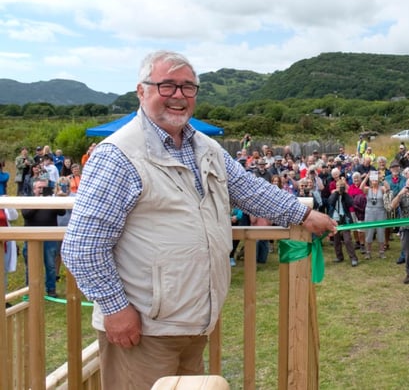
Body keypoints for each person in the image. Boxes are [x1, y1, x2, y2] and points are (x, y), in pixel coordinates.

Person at [61, 50, 337, 389]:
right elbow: (82, 247)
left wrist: (304, 214)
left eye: (188, 87)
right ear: (141, 90)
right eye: (167, 86)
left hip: (192, 322)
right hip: (143, 328)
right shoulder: (118, 155)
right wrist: (116, 309)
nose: (179, 96)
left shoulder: (205, 147)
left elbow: (248, 189)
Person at [22, 179, 66, 297]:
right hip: (32, 238)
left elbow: (62, 212)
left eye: (43, 188)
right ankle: (29, 290)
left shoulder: (51, 201)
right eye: (39, 188)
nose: (41, 190)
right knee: (31, 266)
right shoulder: (29, 201)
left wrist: (55, 200)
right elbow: (26, 214)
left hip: (49, 237)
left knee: (50, 265)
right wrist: (39, 203)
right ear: (34, 189)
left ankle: (51, 289)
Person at [327, 178, 359, 267]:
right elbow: (330, 202)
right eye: (338, 186)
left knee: (347, 239)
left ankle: (353, 258)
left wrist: (344, 193)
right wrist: (336, 193)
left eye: (341, 186)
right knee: (336, 239)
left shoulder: (346, 195)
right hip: (335, 219)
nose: (339, 188)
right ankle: (339, 256)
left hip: (345, 219)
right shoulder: (334, 194)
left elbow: (351, 203)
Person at [361, 171, 391, 259]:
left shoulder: (381, 188)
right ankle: (368, 252)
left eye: (376, 180)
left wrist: (382, 178)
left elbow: (388, 188)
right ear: (371, 181)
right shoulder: (368, 189)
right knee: (369, 232)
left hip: (380, 211)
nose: (374, 182)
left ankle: (381, 252)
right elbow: (361, 187)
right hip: (369, 212)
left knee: (381, 231)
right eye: (373, 180)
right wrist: (367, 177)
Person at [1, 198, 19, 305]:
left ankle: (4, 298)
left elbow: (14, 216)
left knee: (4, 272)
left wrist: (8, 203)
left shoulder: (3, 202)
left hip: (5, 243)